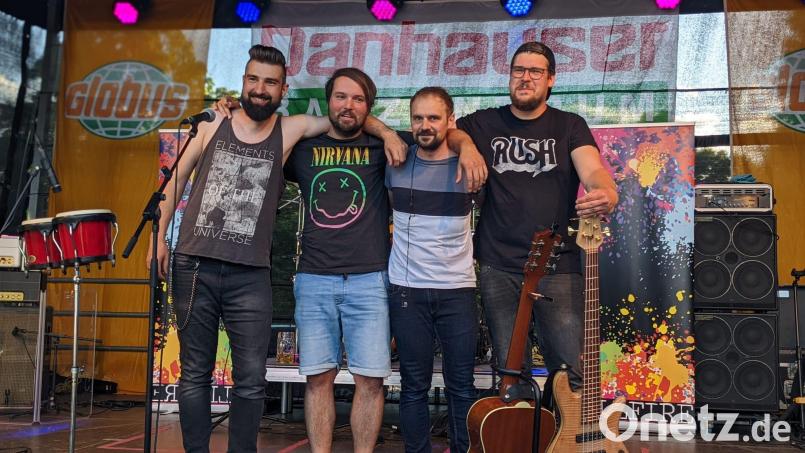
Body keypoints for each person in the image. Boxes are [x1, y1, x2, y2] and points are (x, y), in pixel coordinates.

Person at [147, 46, 406, 453]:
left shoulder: (292, 130)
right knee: (195, 372)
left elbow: (349, 115)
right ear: (243, 82)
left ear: (283, 89)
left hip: (251, 273)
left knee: (251, 378)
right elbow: (173, 184)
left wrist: (389, 132)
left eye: (270, 82)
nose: (260, 89)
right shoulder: (212, 122)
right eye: (253, 79)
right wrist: (159, 239)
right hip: (194, 264)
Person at [216, 67, 486, 453]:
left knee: (372, 381)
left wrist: (449, 143)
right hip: (314, 279)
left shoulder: (391, 148)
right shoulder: (304, 146)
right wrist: (229, 110)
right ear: (329, 103)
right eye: (341, 96)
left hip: (371, 280)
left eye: (359, 99)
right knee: (318, 379)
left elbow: (445, 134)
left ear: (369, 107)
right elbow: (258, 133)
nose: (348, 105)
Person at [455, 42, 618, 389]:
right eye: (518, 71)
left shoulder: (569, 124)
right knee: (511, 372)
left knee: (570, 372)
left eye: (535, 72)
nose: (525, 78)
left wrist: (608, 191)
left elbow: (593, 170)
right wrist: (467, 146)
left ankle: (566, 441)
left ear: (551, 80)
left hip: (557, 265)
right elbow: (451, 130)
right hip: (499, 264)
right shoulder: (483, 122)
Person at [386, 87, 478, 453]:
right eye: (417, 118)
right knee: (413, 386)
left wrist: (467, 147)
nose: (424, 126)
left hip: (458, 290)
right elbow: (365, 121)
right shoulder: (394, 160)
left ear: (450, 121)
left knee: (462, 386)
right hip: (407, 290)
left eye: (434, 118)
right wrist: (385, 132)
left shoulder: (469, 165)